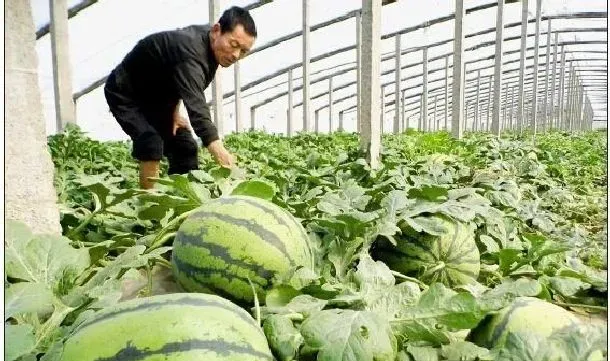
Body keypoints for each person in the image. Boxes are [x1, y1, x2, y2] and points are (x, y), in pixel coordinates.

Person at [104, 6, 257, 189]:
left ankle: (184, 198)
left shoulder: (211, 48)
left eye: (243, 51)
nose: (235, 55)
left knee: (185, 147)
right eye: (233, 45)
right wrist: (218, 149)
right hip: (126, 92)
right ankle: (149, 207)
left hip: (157, 96)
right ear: (216, 30)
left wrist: (174, 113)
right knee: (150, 141)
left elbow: (177, 81)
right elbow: (197, 106)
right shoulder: (190, 51)